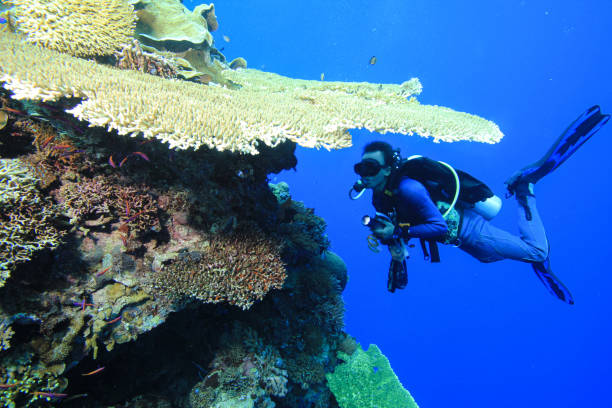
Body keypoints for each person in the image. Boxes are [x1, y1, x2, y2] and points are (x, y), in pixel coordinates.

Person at [351, 106, 609, 304]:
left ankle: (525, 188)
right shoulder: (380, 198)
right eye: (361, 167)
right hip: (466, 243)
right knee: (492, 257)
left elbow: (438, 227)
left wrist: (398, 231)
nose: (364, 173)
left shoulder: (409, 188)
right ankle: (528, 251)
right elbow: (401, 236)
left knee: (537, 252)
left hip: (471, 231)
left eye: (371, 167)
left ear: (387, 169)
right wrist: (395, 252)